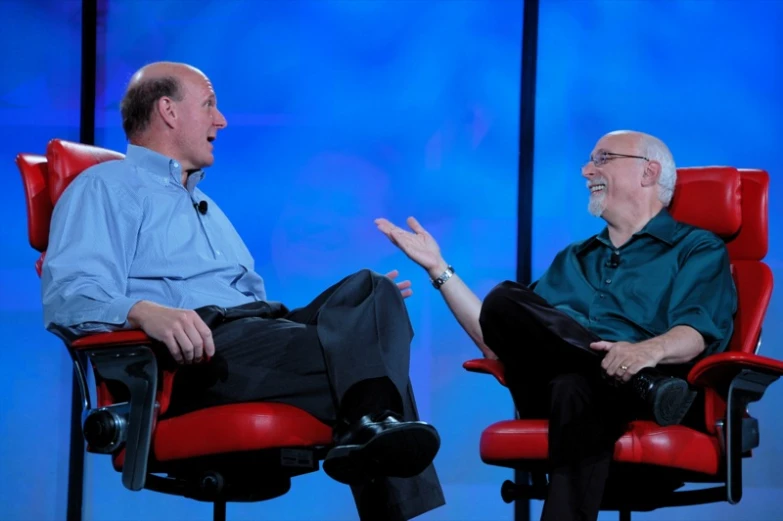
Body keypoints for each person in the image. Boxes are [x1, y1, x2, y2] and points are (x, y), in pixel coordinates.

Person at [41, 62, 444, 521]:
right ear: (168, 111)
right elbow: (67, 295)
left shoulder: (206, 206)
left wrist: (362, 316)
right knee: (369, 362)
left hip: (257, 334)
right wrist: (142, 311)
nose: (222, 120)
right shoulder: (103, 187)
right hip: (199, 359)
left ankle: (369, 423)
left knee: (371, 290)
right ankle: (374, 438)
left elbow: (259, 317)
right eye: (209, 105)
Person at [375, 130, 737, 521]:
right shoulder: (575, 258)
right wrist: (437, 268)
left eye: (602, 159)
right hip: (629, 392)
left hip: (640, 399)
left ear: (649, 172)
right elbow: (497, 341)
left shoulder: (696, 248)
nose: (586, 171)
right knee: (504, 300)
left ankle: (632, 381)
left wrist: (644, 353)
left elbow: (695, 333)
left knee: (574, 386)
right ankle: (636, 383)